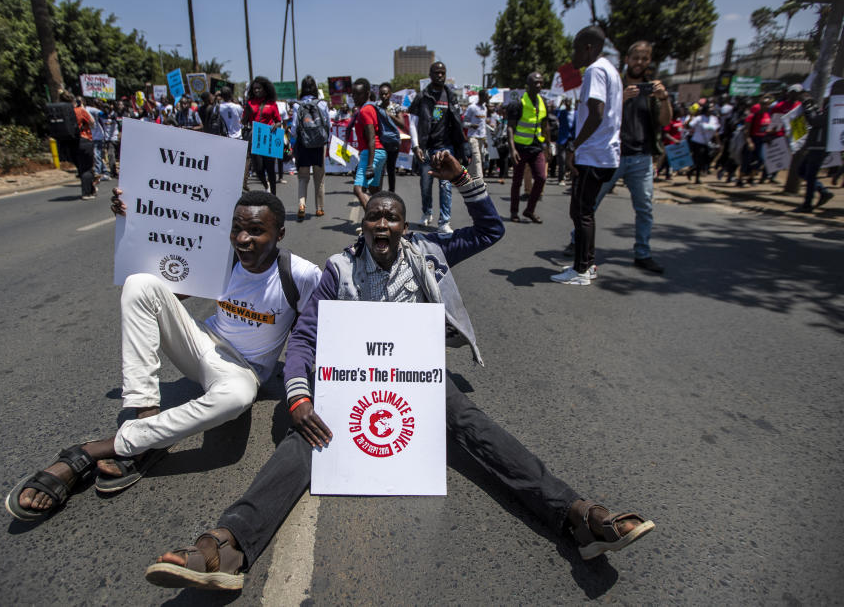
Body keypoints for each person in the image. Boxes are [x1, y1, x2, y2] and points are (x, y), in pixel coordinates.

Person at [142, 151, 654, 591]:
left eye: (391, 219)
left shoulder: (430, 254)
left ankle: (576, 516)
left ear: (404, 227)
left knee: (473, 426)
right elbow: (304, 338)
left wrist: (460, 177)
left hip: (417, 378)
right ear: (362, 226)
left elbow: (491, 229)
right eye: (373, 220)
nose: (381, 226)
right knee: (306, 441)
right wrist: (298, 397)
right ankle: (230, 545)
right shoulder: (337, 271)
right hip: (351, 384)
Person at [4, 191, 322, 520]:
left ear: (279, 234)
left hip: (243, 370)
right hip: (202, 344)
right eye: (236, 228)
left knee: (238, 398)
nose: (242, 239)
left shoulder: (300, 275)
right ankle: (145, 416)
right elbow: (169, 294)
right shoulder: (222, 257)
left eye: (255, 231)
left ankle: (98, 448)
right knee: (141, 284)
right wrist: (130, 221)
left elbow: (315, 331)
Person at [588, 41, 671, 274]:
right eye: (636, 58)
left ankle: (642, 252)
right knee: (591, 203)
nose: (640, 63)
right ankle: (579, 242)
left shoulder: (654, 90)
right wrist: (621, 98)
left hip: (642, 158)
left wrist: (663, 98)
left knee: (645, 207)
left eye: (645, 59)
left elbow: (665, 121)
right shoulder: (615, 83)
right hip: (613, 156)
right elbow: (601, 116)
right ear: (627, 59)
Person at [552, 26, 622, 286]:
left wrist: (574, 145)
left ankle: (581, 270)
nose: (574, 55)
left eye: (576, 48)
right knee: (585, 211)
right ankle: (586, 263)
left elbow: (596, 113)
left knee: (581, 212)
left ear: (589, 48)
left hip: (593, 155)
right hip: (604, 154)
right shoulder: (611, 70)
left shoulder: (595, 70)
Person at [408, 61, 470, 233]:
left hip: (445, 148)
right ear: (430, 74)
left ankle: (444, 221)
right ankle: (427, 212)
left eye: (443, 72)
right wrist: (416, 146)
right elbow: (412, 122)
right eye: (437, 72)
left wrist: (462, 146)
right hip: (427, 148)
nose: (440, 75)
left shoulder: (450, 95)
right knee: (426, 184)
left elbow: (458, 122)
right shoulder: (422, 96)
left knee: (446, 185)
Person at [506, 72, 552, 223]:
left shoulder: (543, 103)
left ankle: (529, 210)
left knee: (541, 177)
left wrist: (548, 146)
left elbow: (545, 126)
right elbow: (510, 128)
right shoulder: (518, 103)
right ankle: (514, 212)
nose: (538, 85)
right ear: (528, 85)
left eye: (540, 82)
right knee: (517, 181)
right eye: (535, 83)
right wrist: (512, 149)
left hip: (536, 147)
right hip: (519, 148)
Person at [291, 75, 329, 221]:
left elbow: (294, 128)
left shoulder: (297, 105)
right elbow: (328, 126)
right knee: (319, 178)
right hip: (319, 145)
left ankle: (302, 205)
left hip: (303, 144)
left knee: (303, 177)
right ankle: (319, 208)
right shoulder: (322, 104)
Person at [348, 77, 387, 212]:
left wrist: (369, 165)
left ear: (367, 94)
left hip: (372, 153)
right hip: (379, 152)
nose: (355, 97)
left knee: (358, 189)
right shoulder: (368, 109)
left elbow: (371, 138)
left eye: (358, 94)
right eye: (353, 94)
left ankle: (374, 219)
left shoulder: (365, 111)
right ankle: (383, 216)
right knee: (374, 190)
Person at [793, 93, 835, 212]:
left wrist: (808, 108)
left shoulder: (833, 107)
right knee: (802, 171)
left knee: (810, 175)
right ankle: (823, 192)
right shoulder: (828, 106)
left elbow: (816, 121)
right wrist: (813, 107)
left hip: (820, 147)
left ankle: (807, 204)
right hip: (815, 146)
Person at [243, 77, 283, 195]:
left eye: (259, 88)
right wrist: (248, 113)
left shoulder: (272, 104)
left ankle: (274, 195)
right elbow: (244, 122)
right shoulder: (250, 103)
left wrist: (276, 125)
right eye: (254, 89)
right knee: (259, 169)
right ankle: (266, 185)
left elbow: (279, 121)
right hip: (256, 139)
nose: (256, 91)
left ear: (265, 89)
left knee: (270, 169)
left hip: (269, 139)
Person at [378, 82, 408, 192]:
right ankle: (378, 192)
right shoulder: (377, 107)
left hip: (393, 142)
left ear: (390, 94)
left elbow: (402, 124)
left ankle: (392, 192)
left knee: (390, 168)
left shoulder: (395, 107)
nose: (384, 96)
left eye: (386, 94)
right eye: (381, 94)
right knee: (379, 169)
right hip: (380, 142)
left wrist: (390, 115)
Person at [688, 101, 720, 186]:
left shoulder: (714, 119)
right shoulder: (699, 118)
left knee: (707, 159)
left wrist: (718, 143)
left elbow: (716, 132)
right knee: (699, 159)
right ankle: (697, 178)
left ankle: (693, 169)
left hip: (707, 143)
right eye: (710, 108)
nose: (711, 109)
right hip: (697, 142)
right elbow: (689, 126)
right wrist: (691, 116)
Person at [463, 90, 489, 185]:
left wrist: (485, 139)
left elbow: (483, 125)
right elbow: (464, 123)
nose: (488, 98)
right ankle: (479, 181)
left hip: (482, 138)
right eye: (487, 96)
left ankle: (467, 176)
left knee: (478, 159)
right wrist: (471, 125)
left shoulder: (484, 108)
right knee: (477, 158)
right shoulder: (472, 108)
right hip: (473, 137)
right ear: (482, 97)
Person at [73, 96, 97, 200]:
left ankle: (91, 189)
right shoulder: (80, 110)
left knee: (82, 168)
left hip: (73, 142)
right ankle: (86, 193)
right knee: (87, 168)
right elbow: (92, 123)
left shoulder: (68, 111)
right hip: (85, 139)